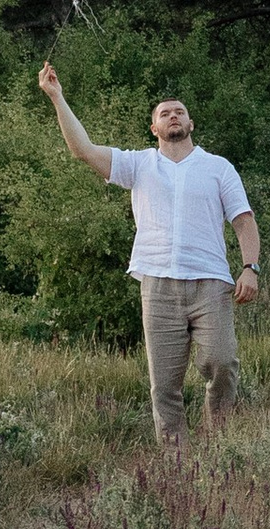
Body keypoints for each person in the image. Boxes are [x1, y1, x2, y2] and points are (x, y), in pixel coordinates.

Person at [36, 66, 258, 443]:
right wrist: (57, 97)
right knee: (164, 385)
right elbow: (82, 150)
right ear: (154, 128)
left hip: (210, 283)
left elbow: (243, 220)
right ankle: (176, 464)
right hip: (157, 285)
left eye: (180, 111)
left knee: (222, 362)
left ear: (191, 123)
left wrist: (250, 267)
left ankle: (219, 442)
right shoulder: (138, 164)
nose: (173, 116)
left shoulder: (218, 167)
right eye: (164, 113)